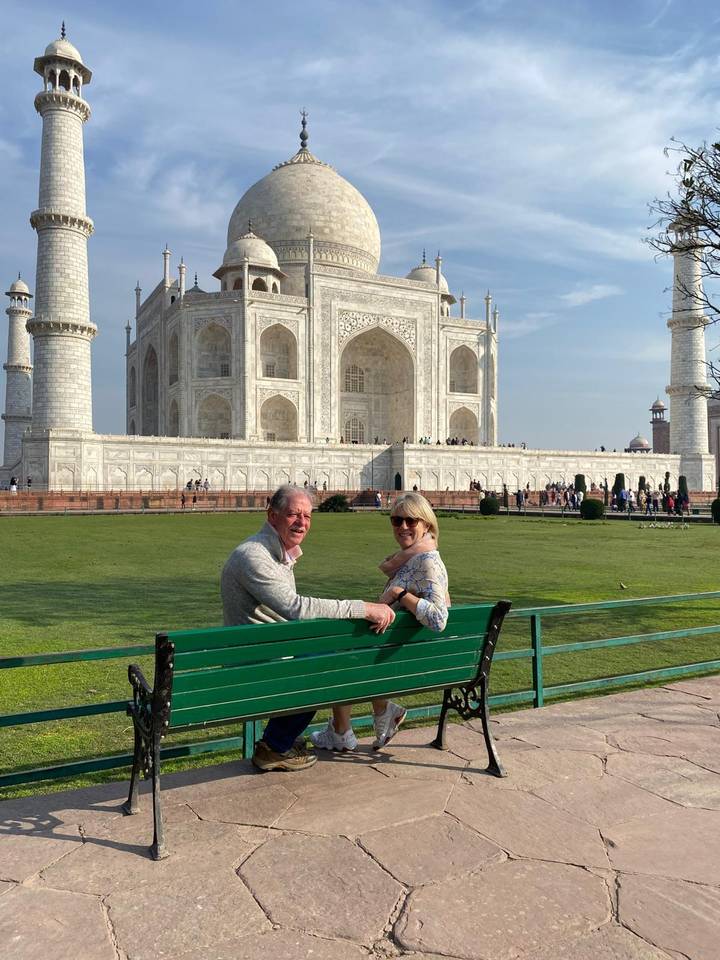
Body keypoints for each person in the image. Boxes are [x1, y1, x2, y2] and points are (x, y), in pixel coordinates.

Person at [221, 485, 396, 772]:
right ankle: (276, 745)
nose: (301, 522)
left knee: (331, 653)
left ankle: (288, 739)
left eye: (307, 516)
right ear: (272, 515)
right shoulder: (253, 556)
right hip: (252, 666)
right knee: (326, 665)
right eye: (293, 514)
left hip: (267, 653)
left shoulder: (276, 553)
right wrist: (363, 608)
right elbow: (296, 609)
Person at [311, 492, 449, 753]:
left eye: (411, 520)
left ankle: (344, 730)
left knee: (343, 654)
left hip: (400, 657)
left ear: (427, 524)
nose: (403, 527)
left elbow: (438, 619)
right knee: (352, 648)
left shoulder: (426, 562)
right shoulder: (413, 558)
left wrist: (399, 595)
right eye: (397, 520)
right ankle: (380, 712)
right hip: (399, 649)